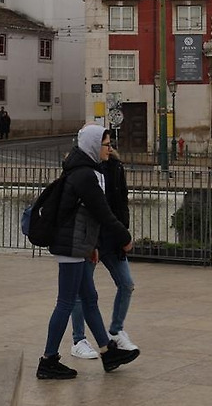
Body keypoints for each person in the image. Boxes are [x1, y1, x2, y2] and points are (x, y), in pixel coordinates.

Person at [37, 125, 139, 380]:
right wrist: (125, 238)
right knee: (65, 302)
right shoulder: (85, 175)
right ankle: (48, 360)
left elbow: (86, 215)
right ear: (94, 145)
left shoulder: (84, 170)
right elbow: (102, 212)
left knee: (90, 298)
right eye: (106, 144)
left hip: (79, 244)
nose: (109, 149)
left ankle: (108, 352)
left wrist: (92, 246)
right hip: (70, 245)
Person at [69, 138, 137, 361]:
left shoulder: (115, 167)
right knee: (82, 292)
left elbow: (121, 203)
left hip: (112, 238)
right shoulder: (83, 171)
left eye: (109, 143)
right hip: (91, 240)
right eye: (105, 144)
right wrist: (92, 242)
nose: (110, 147)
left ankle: (116, 330)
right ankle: (78, 339)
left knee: (126, 284)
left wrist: (123, 232)